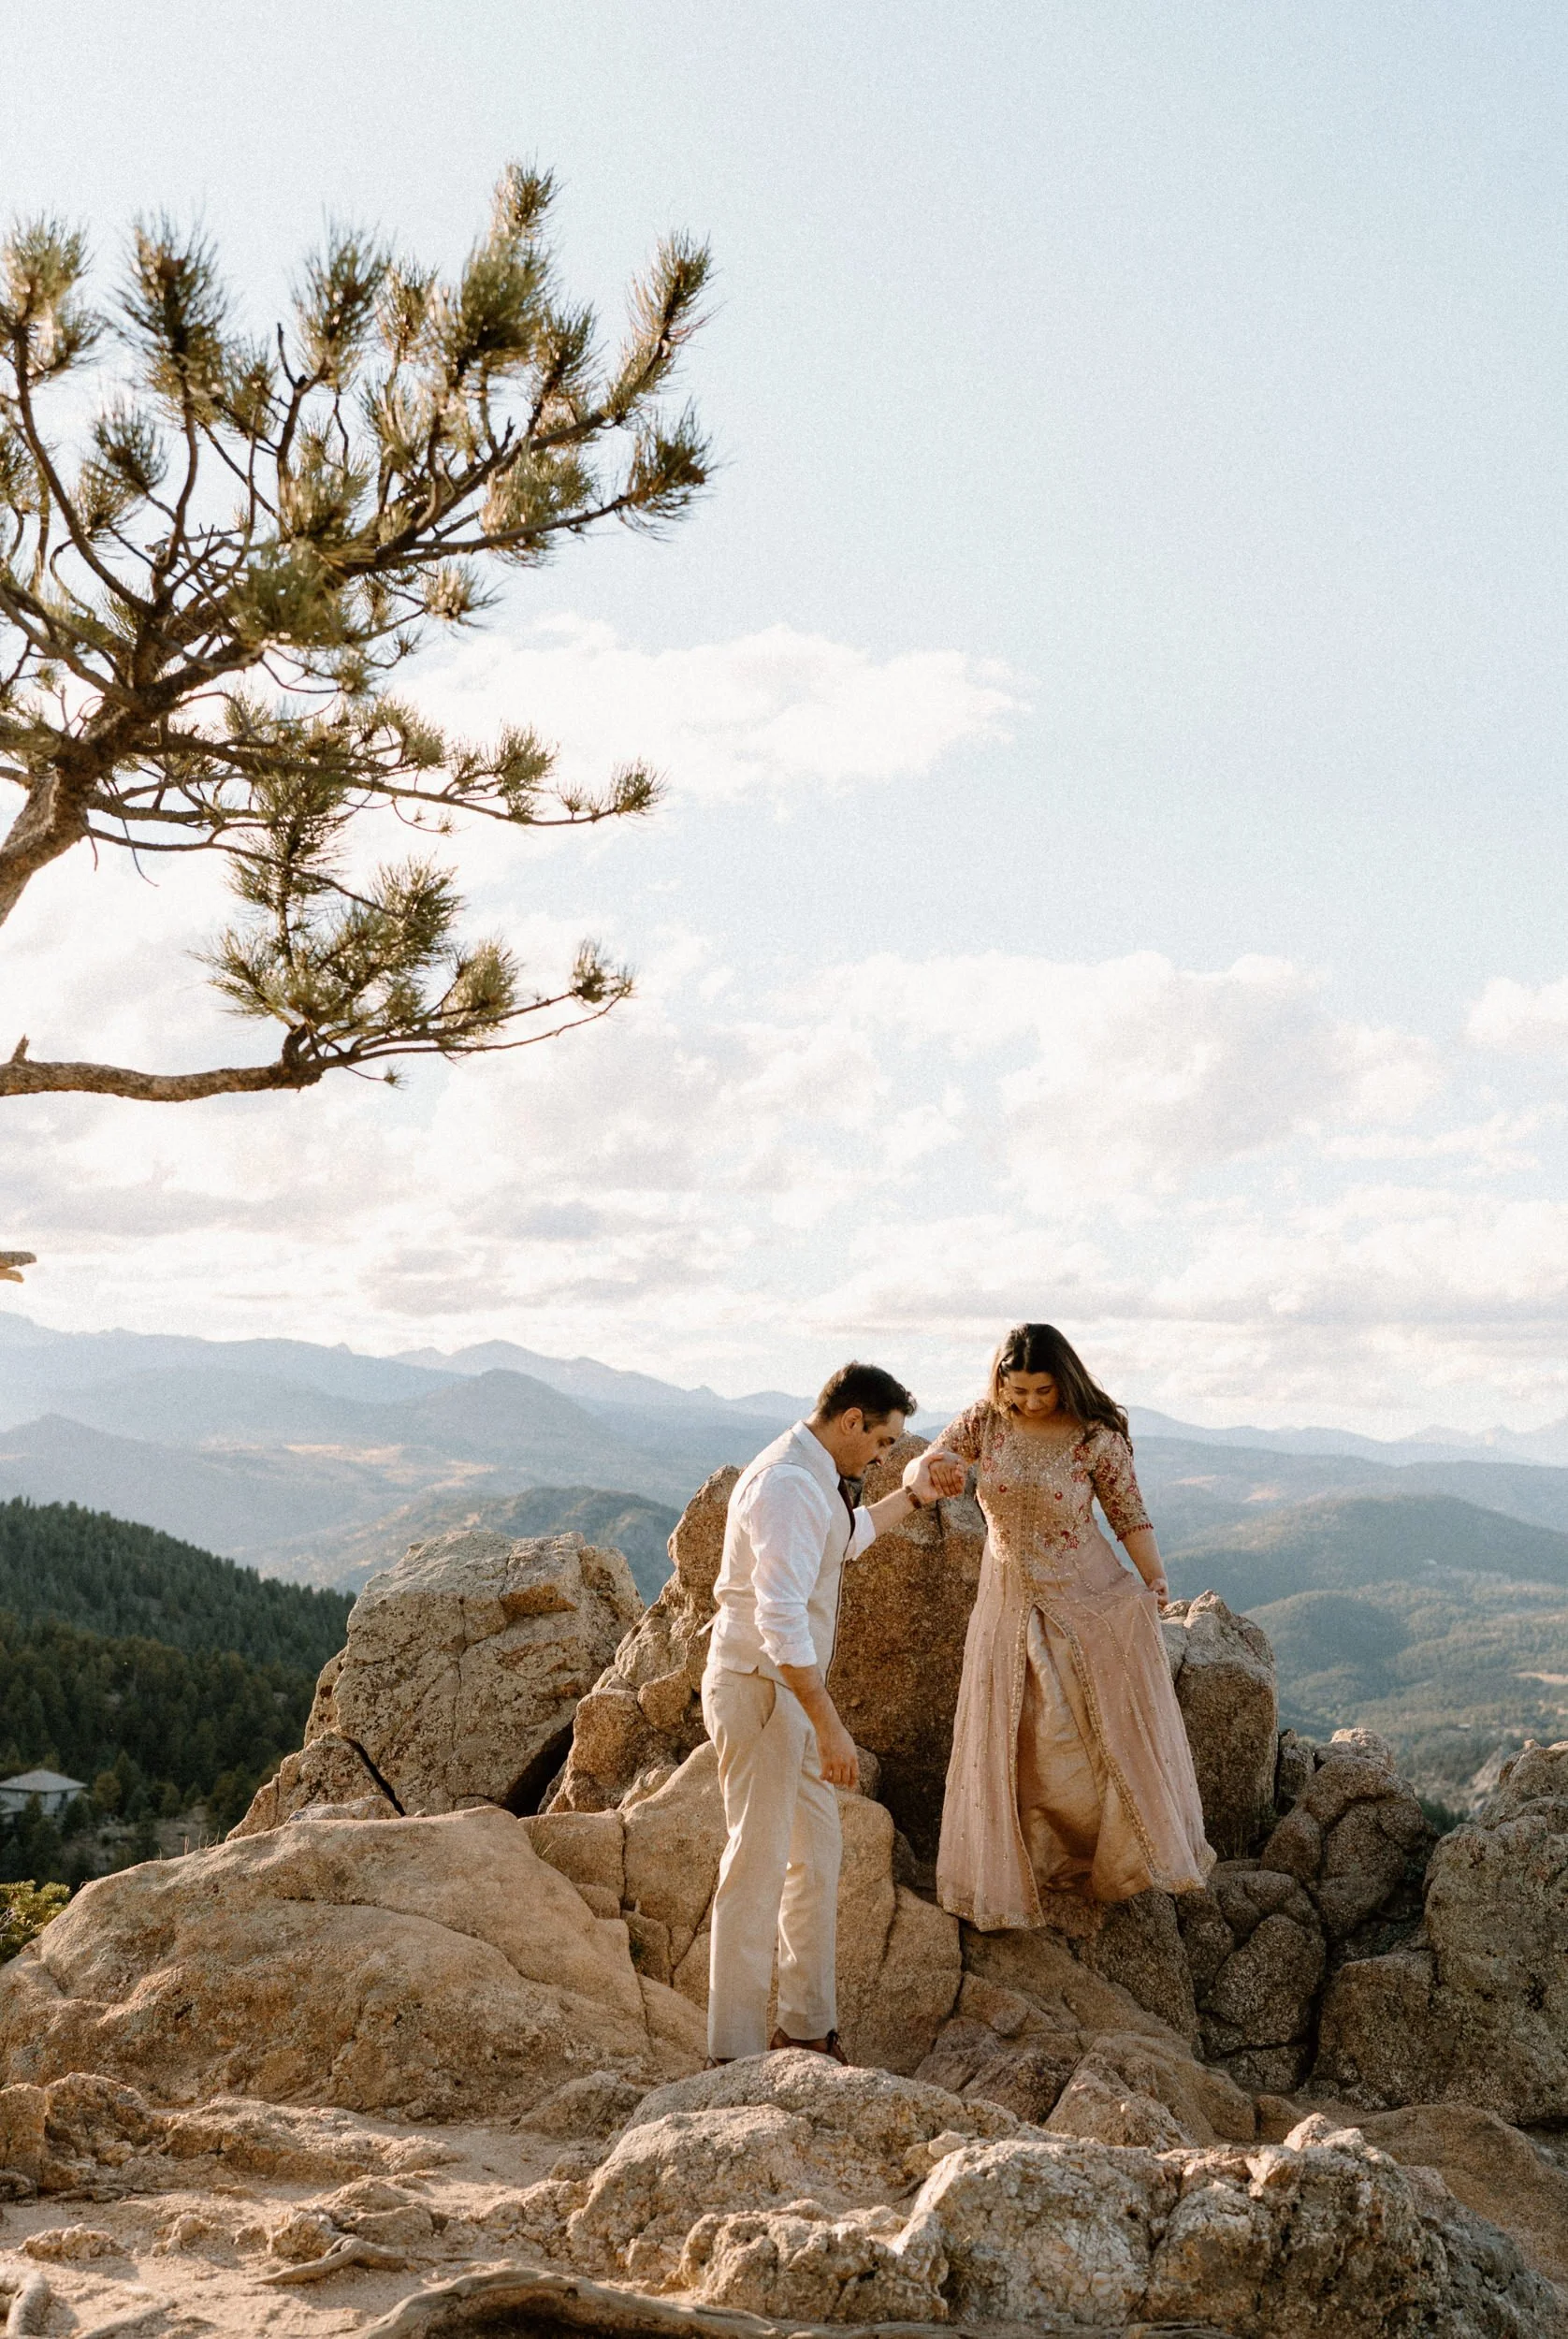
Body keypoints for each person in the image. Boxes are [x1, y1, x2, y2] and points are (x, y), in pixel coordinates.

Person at [702, 1360, 957, 2065]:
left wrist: (913, 1493)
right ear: (851, 1420)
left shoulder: (813, 1479)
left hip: (789, 1696)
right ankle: (733, 2055)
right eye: (881, 1442)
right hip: (760, 1689)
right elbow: (782, 1621)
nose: (882, 1455)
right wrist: (831, 1724)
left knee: (816, 1858)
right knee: (753, 1869)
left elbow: (843, 1540)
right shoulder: (786, 1485)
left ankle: (808, 2031)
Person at [924, 1323, 1213, 1930]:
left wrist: (1154, 1580)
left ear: (1066, 1381)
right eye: (1019, 1389)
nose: (1029, 1402)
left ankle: (1097, 1859)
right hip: (1004, 1596)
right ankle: (1017, 1863)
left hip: (1079, 1590)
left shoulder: (1093, 1439)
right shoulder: (985, 1421)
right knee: (1011, 1731)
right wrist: (941, 1466)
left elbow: (1128, 1514)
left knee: (1070, 1731)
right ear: (1001, 1380)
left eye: (1043, 1391)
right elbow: (938, 1459)